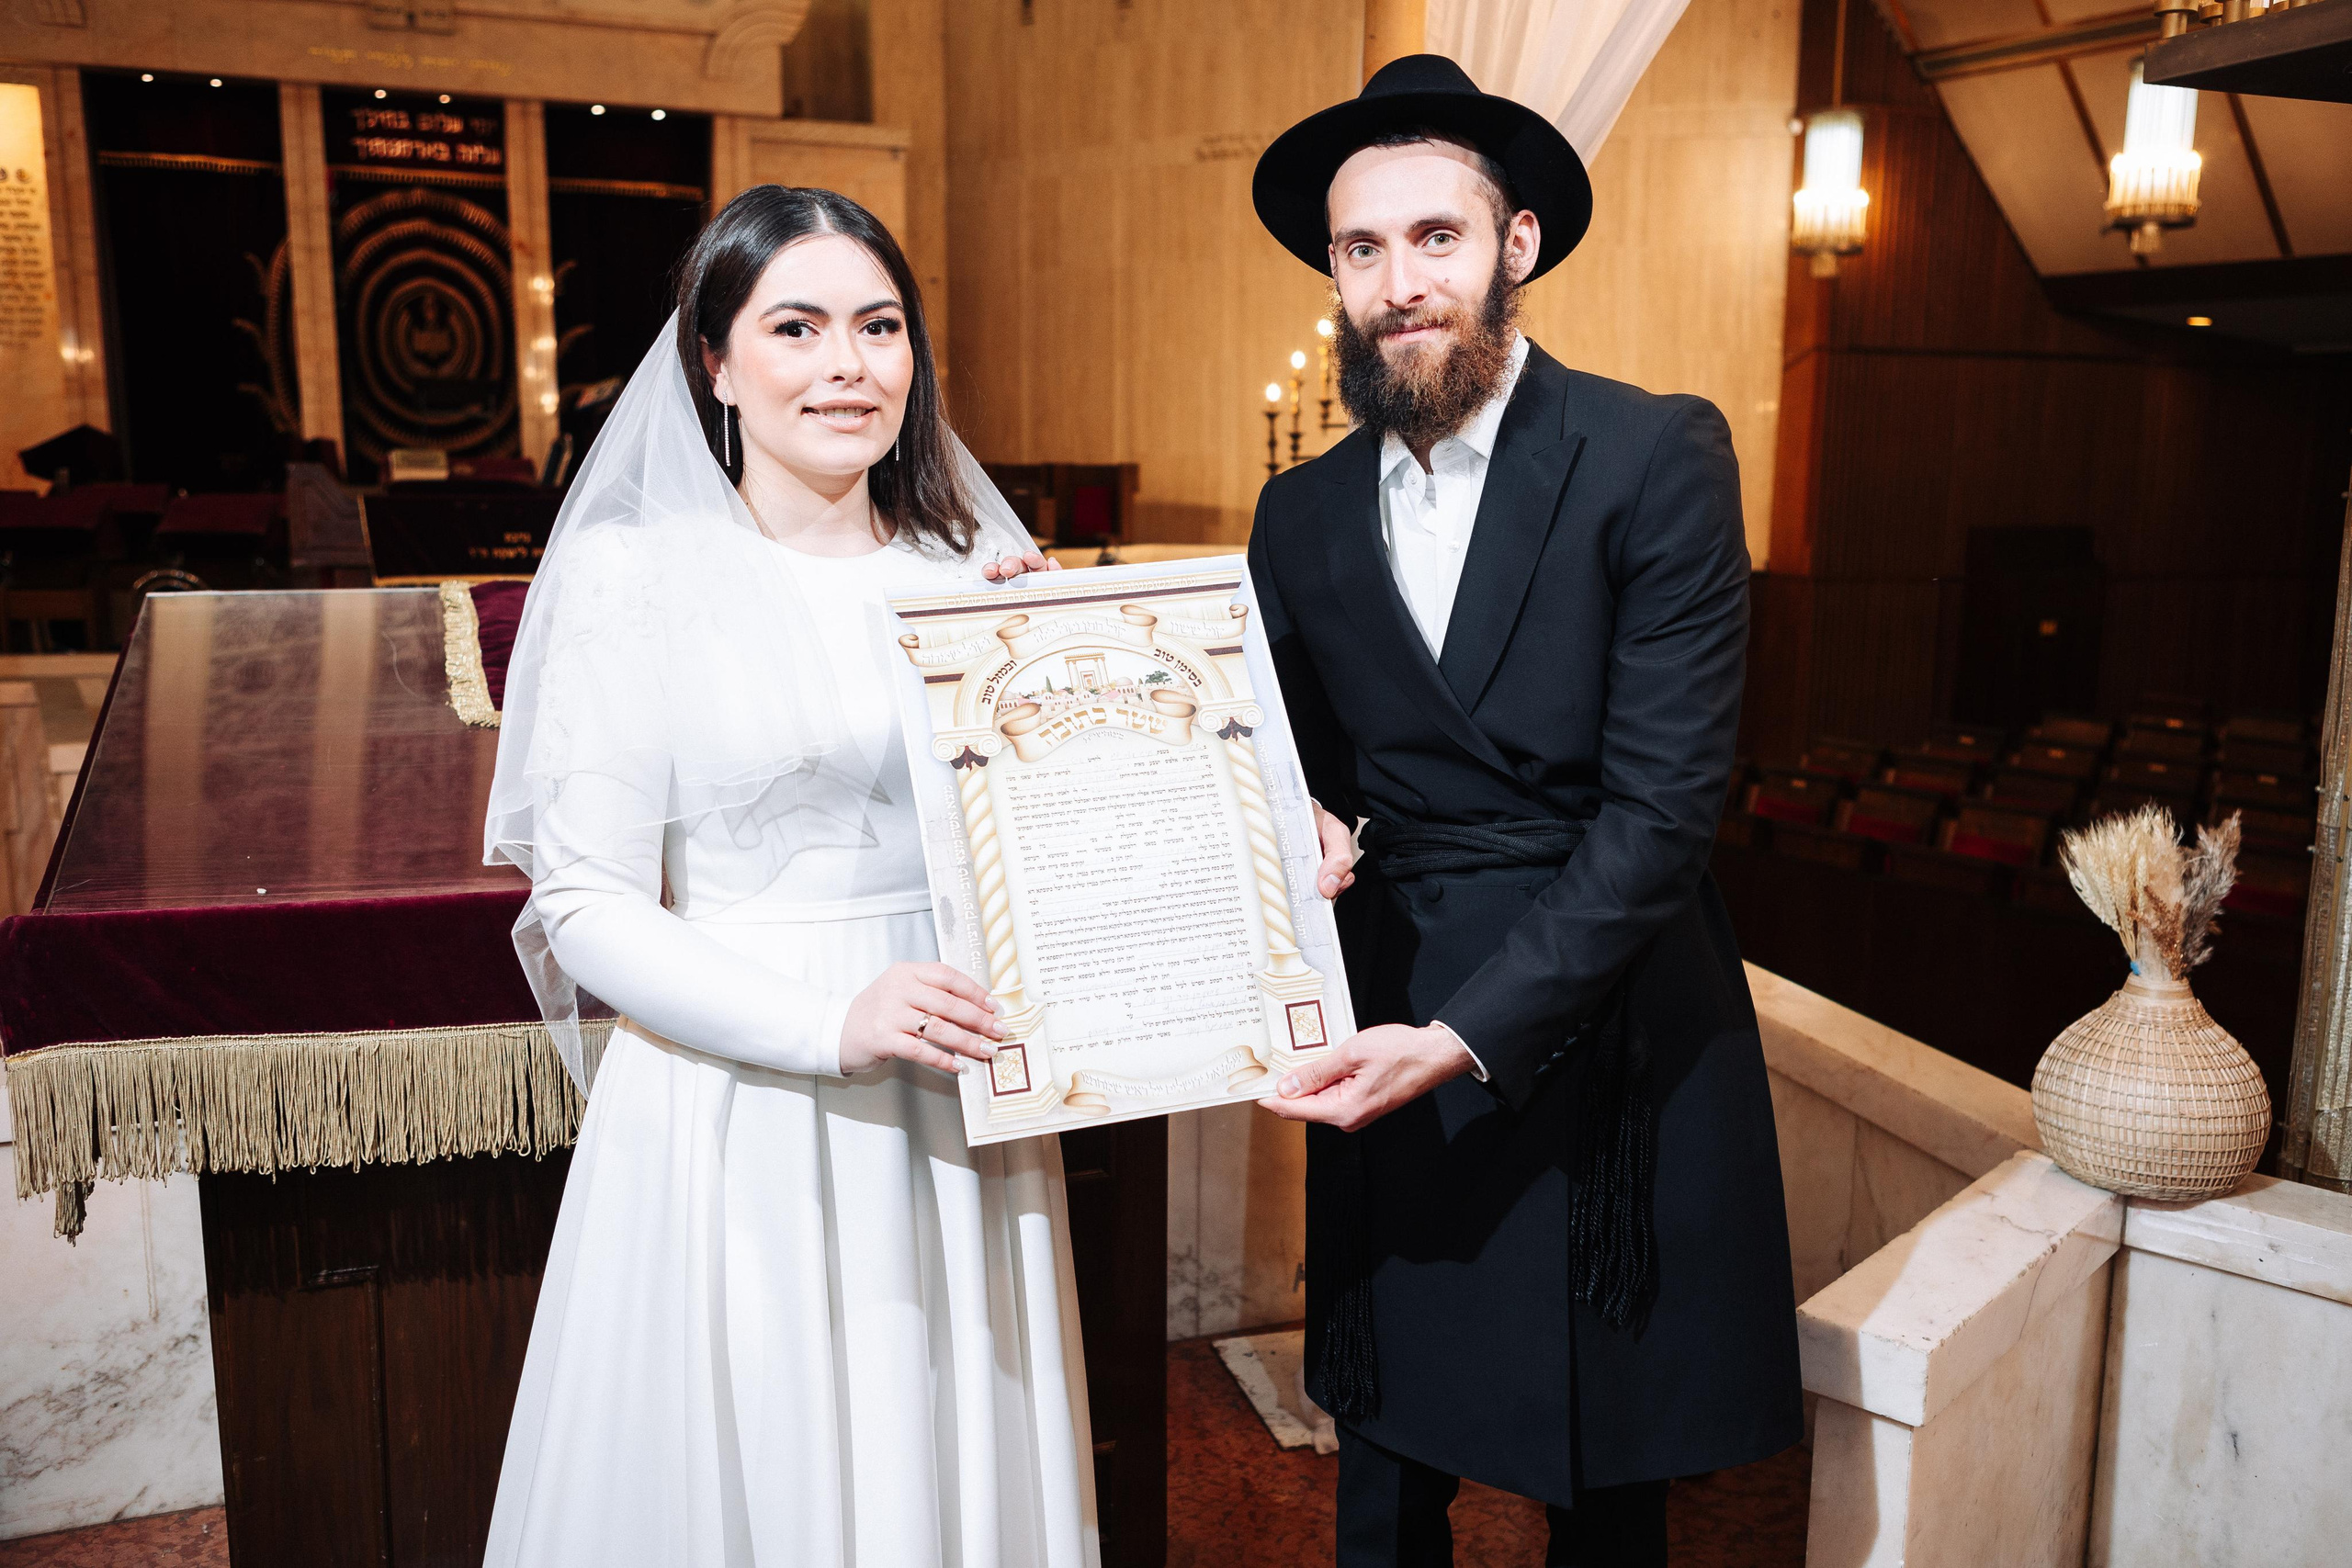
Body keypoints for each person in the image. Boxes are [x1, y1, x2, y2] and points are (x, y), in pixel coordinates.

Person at [479, 185, 1097, 1568]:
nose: (848, 367)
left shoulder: (979, 571)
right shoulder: (635, 579)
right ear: (714, 359)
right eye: (799, 327)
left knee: (950, 1458)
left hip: (960, 1084)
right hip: (740, 1098)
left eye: (880, 328)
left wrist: (1252, 819)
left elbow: (1074, 825)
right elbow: (582, 902)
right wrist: (828, 1025)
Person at [1248, 56, 1804, 1567]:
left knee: (1603, 1482)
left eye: (1436, 237)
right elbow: (1282, 761)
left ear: (1518, 247)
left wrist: (1471, 1034)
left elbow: (1662, 815)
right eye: (1362, 249)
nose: (1397, 282)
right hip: (1389, 1012)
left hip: (1599, 1021)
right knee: (1387, 1456)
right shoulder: (1295, 512)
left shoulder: (1652, 452)